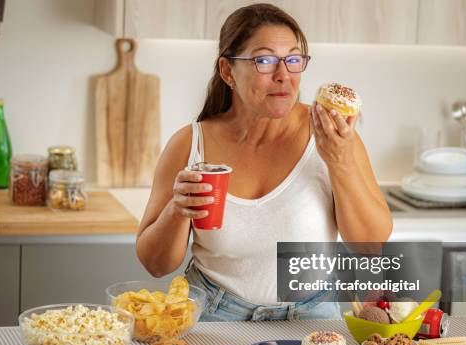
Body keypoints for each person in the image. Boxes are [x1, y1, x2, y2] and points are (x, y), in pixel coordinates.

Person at [136, 3, 392, 321]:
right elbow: (156, 265)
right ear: (228, 71)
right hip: (214, 315)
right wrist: (177, 210)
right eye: (265, 60)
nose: (283, 75)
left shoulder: (331, 135)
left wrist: (339, 163)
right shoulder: (190, 145)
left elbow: (370, 246)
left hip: (312, 318)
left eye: (293, 59)